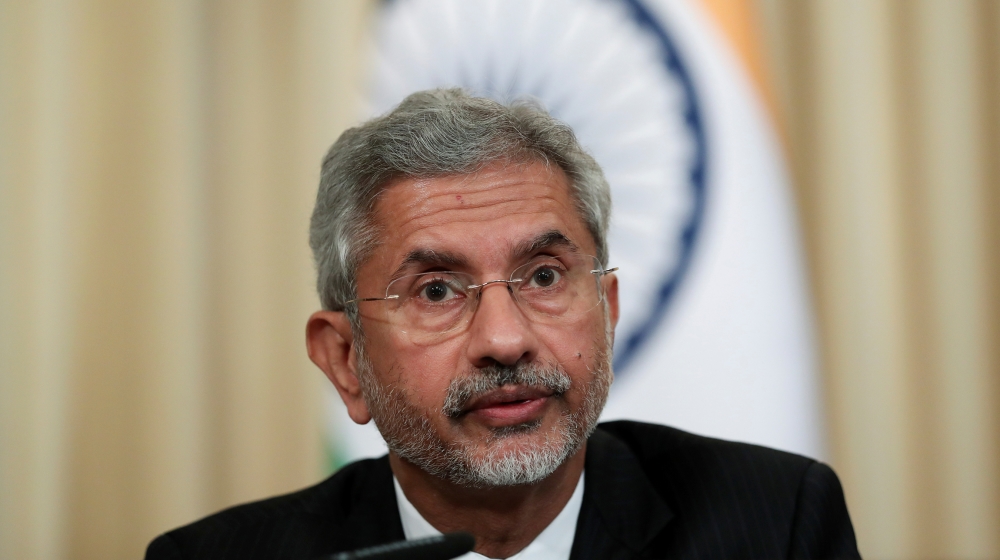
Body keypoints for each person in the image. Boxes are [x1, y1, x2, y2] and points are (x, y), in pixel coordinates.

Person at [145, 89, 860, 560]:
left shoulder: (776, 525)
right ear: (343, 359)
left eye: (545, 276)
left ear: (606, 314)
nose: (504, 340)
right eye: (435, 291)